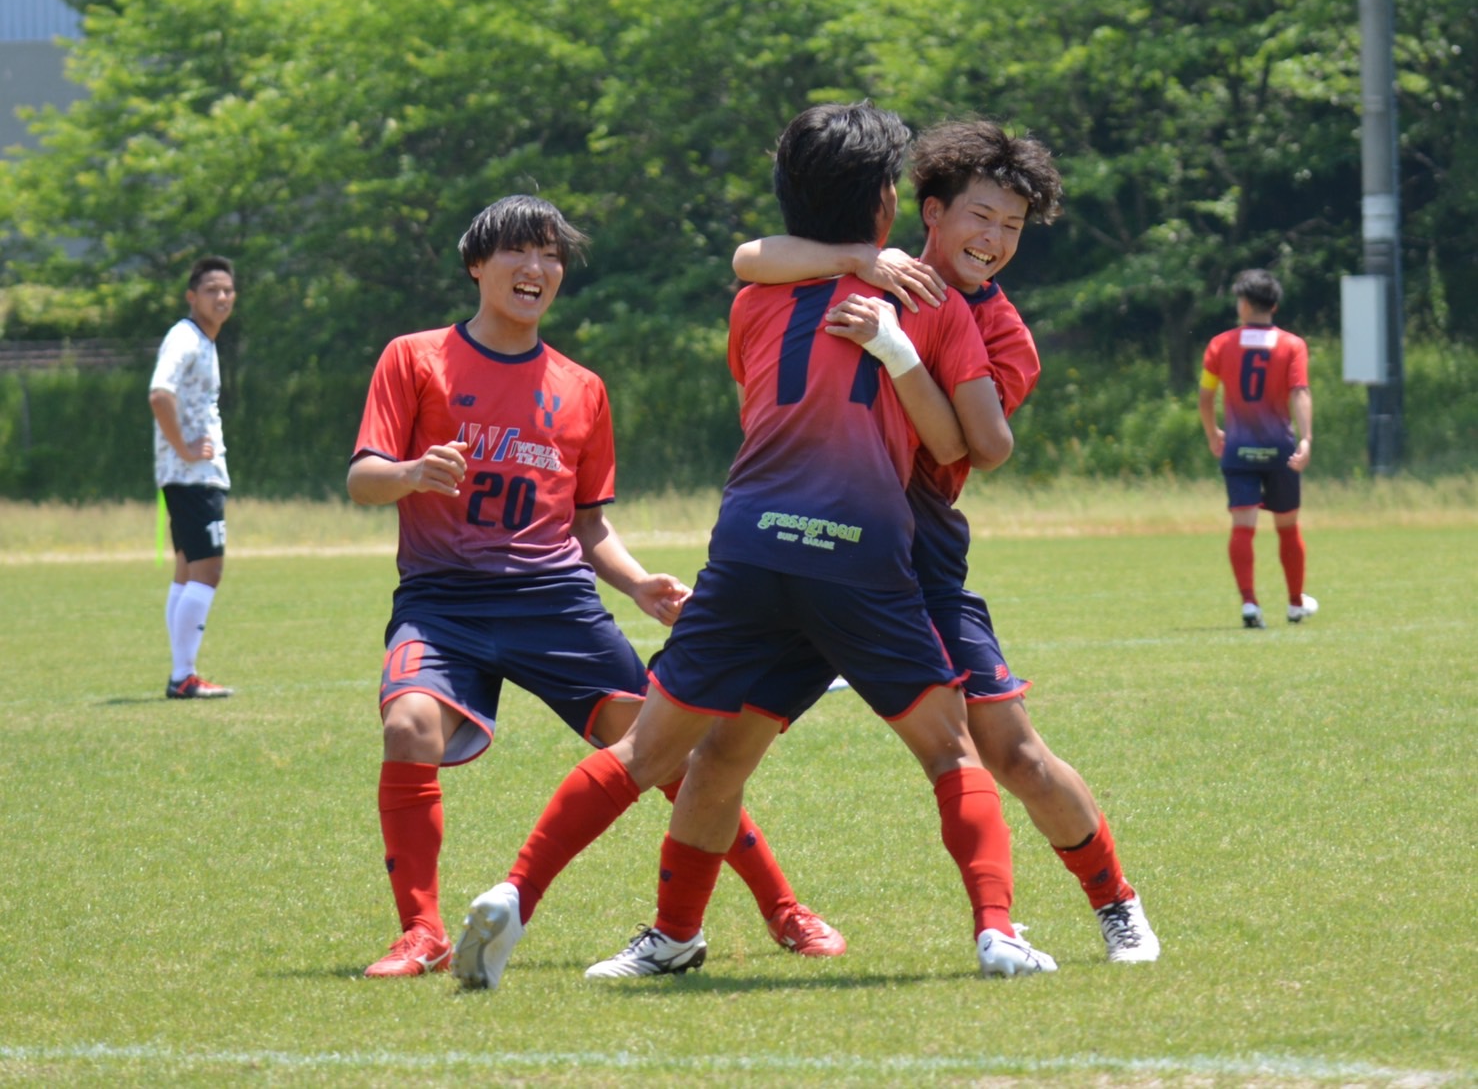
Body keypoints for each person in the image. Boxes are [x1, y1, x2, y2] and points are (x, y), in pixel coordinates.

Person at [454, 102, 1056, 990]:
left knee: (654, 755)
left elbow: (755, 280)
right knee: (948, 752)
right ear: (891, 206)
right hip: (860, 556)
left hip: (748, 549)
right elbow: (962, 446)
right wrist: (898, 352)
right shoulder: (930, 304)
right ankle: (997, 932)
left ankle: (517, 890)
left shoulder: (755, 299)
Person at [347, 194, 842, 979]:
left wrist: (640, 584)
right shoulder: (414, 358)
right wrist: (410, 473)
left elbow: (589, 527)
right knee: (408, 727)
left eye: (551, 256)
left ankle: (785, 909)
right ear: (477, 264)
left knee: (667, 752)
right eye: (518, 251)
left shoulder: (582, 388)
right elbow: (364, 478)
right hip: (443, 603)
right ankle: (421, 932)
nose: (536, 268)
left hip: (556, 603)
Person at [729, 119, 1161, 964]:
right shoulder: (865, 268)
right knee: (720, 749)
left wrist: (898, 355)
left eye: (1012, 228)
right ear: (929, 210)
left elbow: (981, 447)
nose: (995, 240)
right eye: (982, 217)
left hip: (917, 561)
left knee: (1016, 754)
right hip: (806, 550)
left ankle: (1117, 904)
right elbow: (751, 259)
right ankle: (675, 931)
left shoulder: (999, 330)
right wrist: (857, 261)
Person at [1198, 268, 1316, 629]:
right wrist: (1307, 437)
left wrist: (1212, 432)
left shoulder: (1220, 344)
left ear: (1245, 304)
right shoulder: (1293, 345)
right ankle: (1296, 604)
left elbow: (1206, 395)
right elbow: (1300, 392)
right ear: (1275, 304)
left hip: (1238, 449)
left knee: (1242, 527)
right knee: (1288, 527)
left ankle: (1250, 605)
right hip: (1281, 450)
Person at [148, 255, 238, 701]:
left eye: (227, 290)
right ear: (191, 296)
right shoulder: (184, 338)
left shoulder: (204, 340)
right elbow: (159, 394)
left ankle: (182, 673)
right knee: (209, 569)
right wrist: (184, 450)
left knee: (187, 571)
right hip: (192, 475)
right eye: (211, 290)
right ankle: (182, 675)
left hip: (192, 474)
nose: (221, 297)